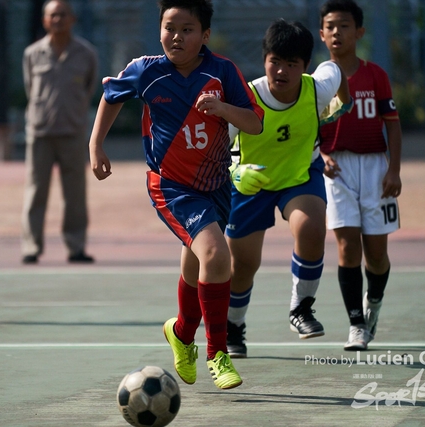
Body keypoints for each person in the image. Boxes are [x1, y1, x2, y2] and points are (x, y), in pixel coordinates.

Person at [89, 0, 264, 389]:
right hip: (171, 187)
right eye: (170, 27)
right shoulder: (146, 71)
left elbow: (254, 123)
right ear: (159, 29)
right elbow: (111, 96)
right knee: (217, 255)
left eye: (187, 29)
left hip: (216, 185)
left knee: (196, 263)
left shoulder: (222, 72)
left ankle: (181, 334)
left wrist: (222, 108)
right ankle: (218, 353)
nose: (176, 36)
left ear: (204, 36)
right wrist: (95, 144)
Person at [225, 18, 352, 357]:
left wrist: (343, 104)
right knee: (242, 266)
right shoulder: (244, 99)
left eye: (291, 64)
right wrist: (235, 175)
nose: (281, 71)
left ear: (304, 66)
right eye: (274, 62)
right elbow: (214, 153)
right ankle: (233, 326)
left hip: (299, 176)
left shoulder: (316, 89)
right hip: (251, 183)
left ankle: (301, 308)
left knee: (311, 227)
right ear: (264, 58)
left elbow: (335, 70)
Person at [319, 0, 402, 350]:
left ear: (359, 32)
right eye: (331, 26)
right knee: (347, 247)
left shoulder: (376, 75)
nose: (338, 32)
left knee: (377, 254)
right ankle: (355, 324)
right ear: (322, 34)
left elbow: (393, 127)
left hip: (375, 167)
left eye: (345, 25)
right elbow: (307, 128)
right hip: (336, 169)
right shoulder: (316, 82)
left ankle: (374, 304)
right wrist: (320, 155)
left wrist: (394, 170)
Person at [21, 0, 98, 265]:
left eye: (63, 15)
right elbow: (30, 89)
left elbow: (88, 90)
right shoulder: (32, 54)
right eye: (53, 15)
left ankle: (76, 247)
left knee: (75, 194)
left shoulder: (86, 54)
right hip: (40, 133)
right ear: (44, 21)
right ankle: (31, 247)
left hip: (73, 133)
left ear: (73, 19)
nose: (58, 20)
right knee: (35, 191)